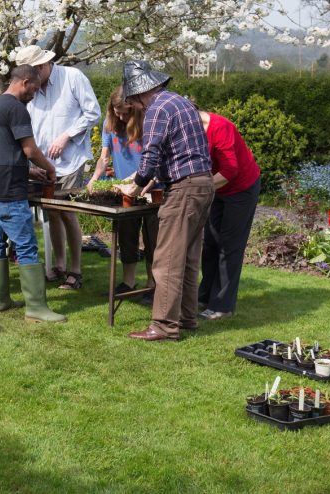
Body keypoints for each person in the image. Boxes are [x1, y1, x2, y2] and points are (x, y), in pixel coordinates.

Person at [120, 60, 214, 342]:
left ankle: (163, 325)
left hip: (184, 189)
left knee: (166, 260)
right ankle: (186, 318)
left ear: (138, 93)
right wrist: (150, 181)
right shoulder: (180, 102)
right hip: (202, 183)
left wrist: (135, 187)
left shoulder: (157, 108)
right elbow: (174, 152)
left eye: (133, 101)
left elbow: (150, 154)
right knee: (187, 257)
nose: (135, 106)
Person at [0, 64, 65, 322]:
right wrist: (49, 168)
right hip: (8, 190)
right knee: (26, 244)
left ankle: (0, 300)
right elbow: (30, 150)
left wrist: (29, 172)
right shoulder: (16, 109)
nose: (35, 94)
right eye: (35, 89)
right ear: (25, 81)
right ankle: (36, 307)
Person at [14, 45, 101, 290]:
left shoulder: (72, 78)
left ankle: (76, 271)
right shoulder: (31, 89)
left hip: (71, 159)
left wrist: (67, 136)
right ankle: (59, 265)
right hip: (44, 162)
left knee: (67, 211)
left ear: (42, 66)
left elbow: (93, 112)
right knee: (51, 212)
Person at [87, 86, 158, 302]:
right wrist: (94, 179)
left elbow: (154, 160)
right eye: (116, 111)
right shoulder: (110, 126)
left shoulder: (148, 125)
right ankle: (128, 283)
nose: (120, 116)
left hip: (149, 190)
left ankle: (153, 285)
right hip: (124, 192)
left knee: (152, 238)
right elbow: (104, 158)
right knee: (127, 238)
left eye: (124, 112)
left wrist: (135, 182)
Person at [197, 110, 261, 320]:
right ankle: (204, 297)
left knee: (229, 246)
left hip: (241, 189)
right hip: (218, 189)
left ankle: (222, 305)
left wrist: (197, 188)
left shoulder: (219, 127)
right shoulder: (191, 129)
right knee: (210, 244)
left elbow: (230, 170)